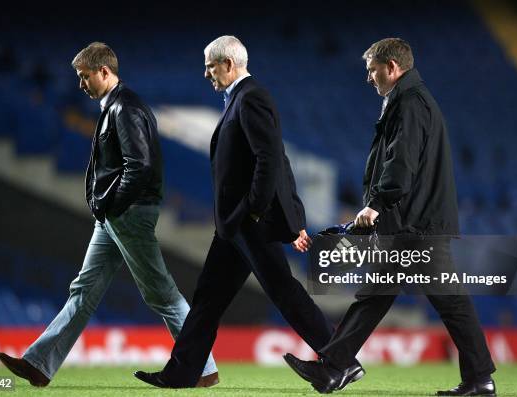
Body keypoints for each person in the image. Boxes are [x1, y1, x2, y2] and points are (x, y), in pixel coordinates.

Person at [133, 35, 363, 389]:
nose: (206, 73)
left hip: (248, 223)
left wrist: (254, 212)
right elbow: (276, 161)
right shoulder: (239, 99)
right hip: (234, 225)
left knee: (283, 291)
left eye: (210, 66)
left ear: (228, 64)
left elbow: (271, 161)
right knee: (208, 297)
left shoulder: (252, 97)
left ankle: (342, 360)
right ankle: (182, 371)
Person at [0, 42, 218, 388]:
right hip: (116, 216)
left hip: (127, 214)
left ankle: (203, 368)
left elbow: (139, 166)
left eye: (85, 77)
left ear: (104, 72)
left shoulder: (124, 108)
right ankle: (38, 364)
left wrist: (112, 204)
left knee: (161, 292)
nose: (81, 84)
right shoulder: (119, 104)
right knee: (83, 290)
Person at [284, 38, 497, 396]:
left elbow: (401, 162)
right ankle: (334, 367)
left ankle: (479, 379)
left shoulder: (410, 104)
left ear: (392, 68)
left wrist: (376, 204)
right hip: (413, 222)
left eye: (372, 70)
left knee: (445, 301)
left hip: (418, 226)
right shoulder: (406, 101)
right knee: (379, 295)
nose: (369, 78)